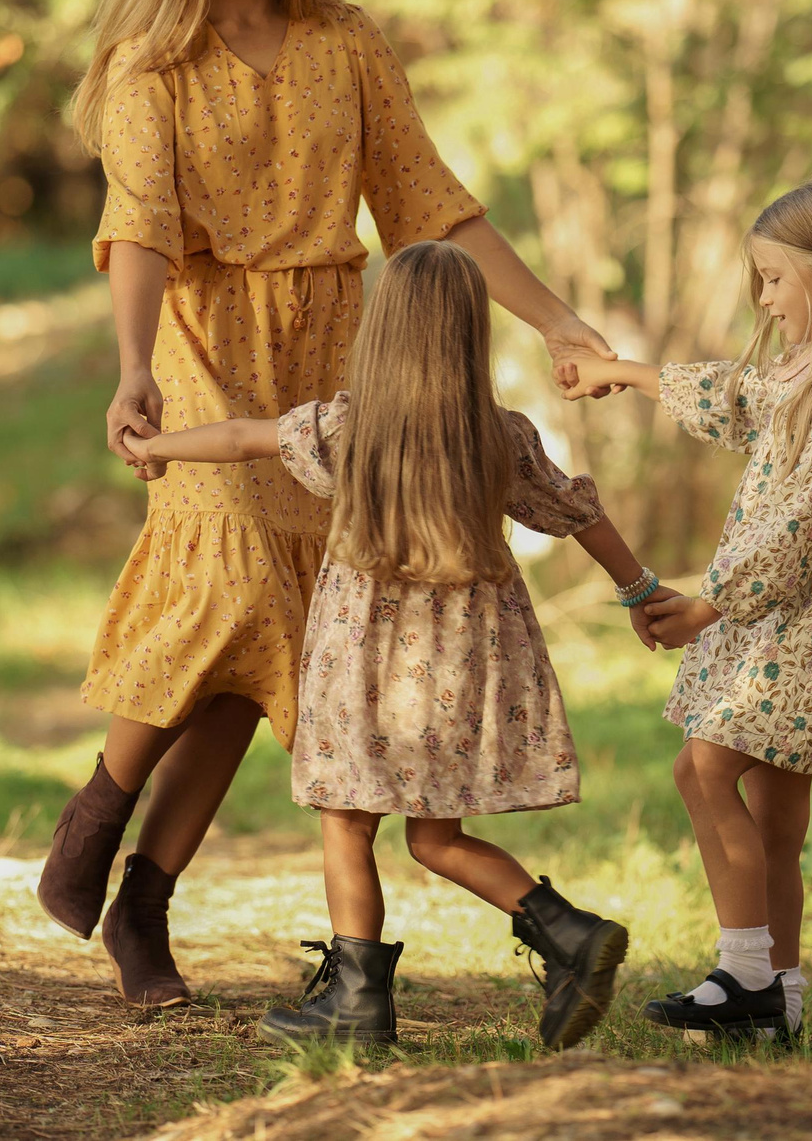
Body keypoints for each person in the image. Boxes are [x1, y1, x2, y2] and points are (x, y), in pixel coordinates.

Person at [42, 0, 617, 1008]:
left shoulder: (345, 42)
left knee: (276, 644)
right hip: (204, 342)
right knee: (232, 582)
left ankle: (142, 900)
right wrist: (134, 364)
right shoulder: (152, 64)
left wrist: (555, 319)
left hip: (332, 348)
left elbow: (429, 204)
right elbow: (139, 226)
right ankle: (95, 816)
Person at [121, 240, 652, 1049]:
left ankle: (357, 1002)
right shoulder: (499, 437)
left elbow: (236, 438)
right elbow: (579, 513)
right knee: (437, 837)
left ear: (382, 331)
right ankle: (569, 933)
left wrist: (155, 446)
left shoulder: (347, 428)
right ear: (470, 335)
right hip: (462, 667)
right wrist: (640, 589)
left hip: (365, 666)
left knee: (346, 821)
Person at [562, 177, 812, 1044]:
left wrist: (707, 607)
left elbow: (795, 534)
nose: (764, 297)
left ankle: (745, 972)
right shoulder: (810, 375)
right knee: (777, 820)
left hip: (803, 637)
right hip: (781, 630)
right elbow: (730, 394)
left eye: (774, 277)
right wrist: (623, 374)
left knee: (703, 770)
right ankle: (777, 1004)